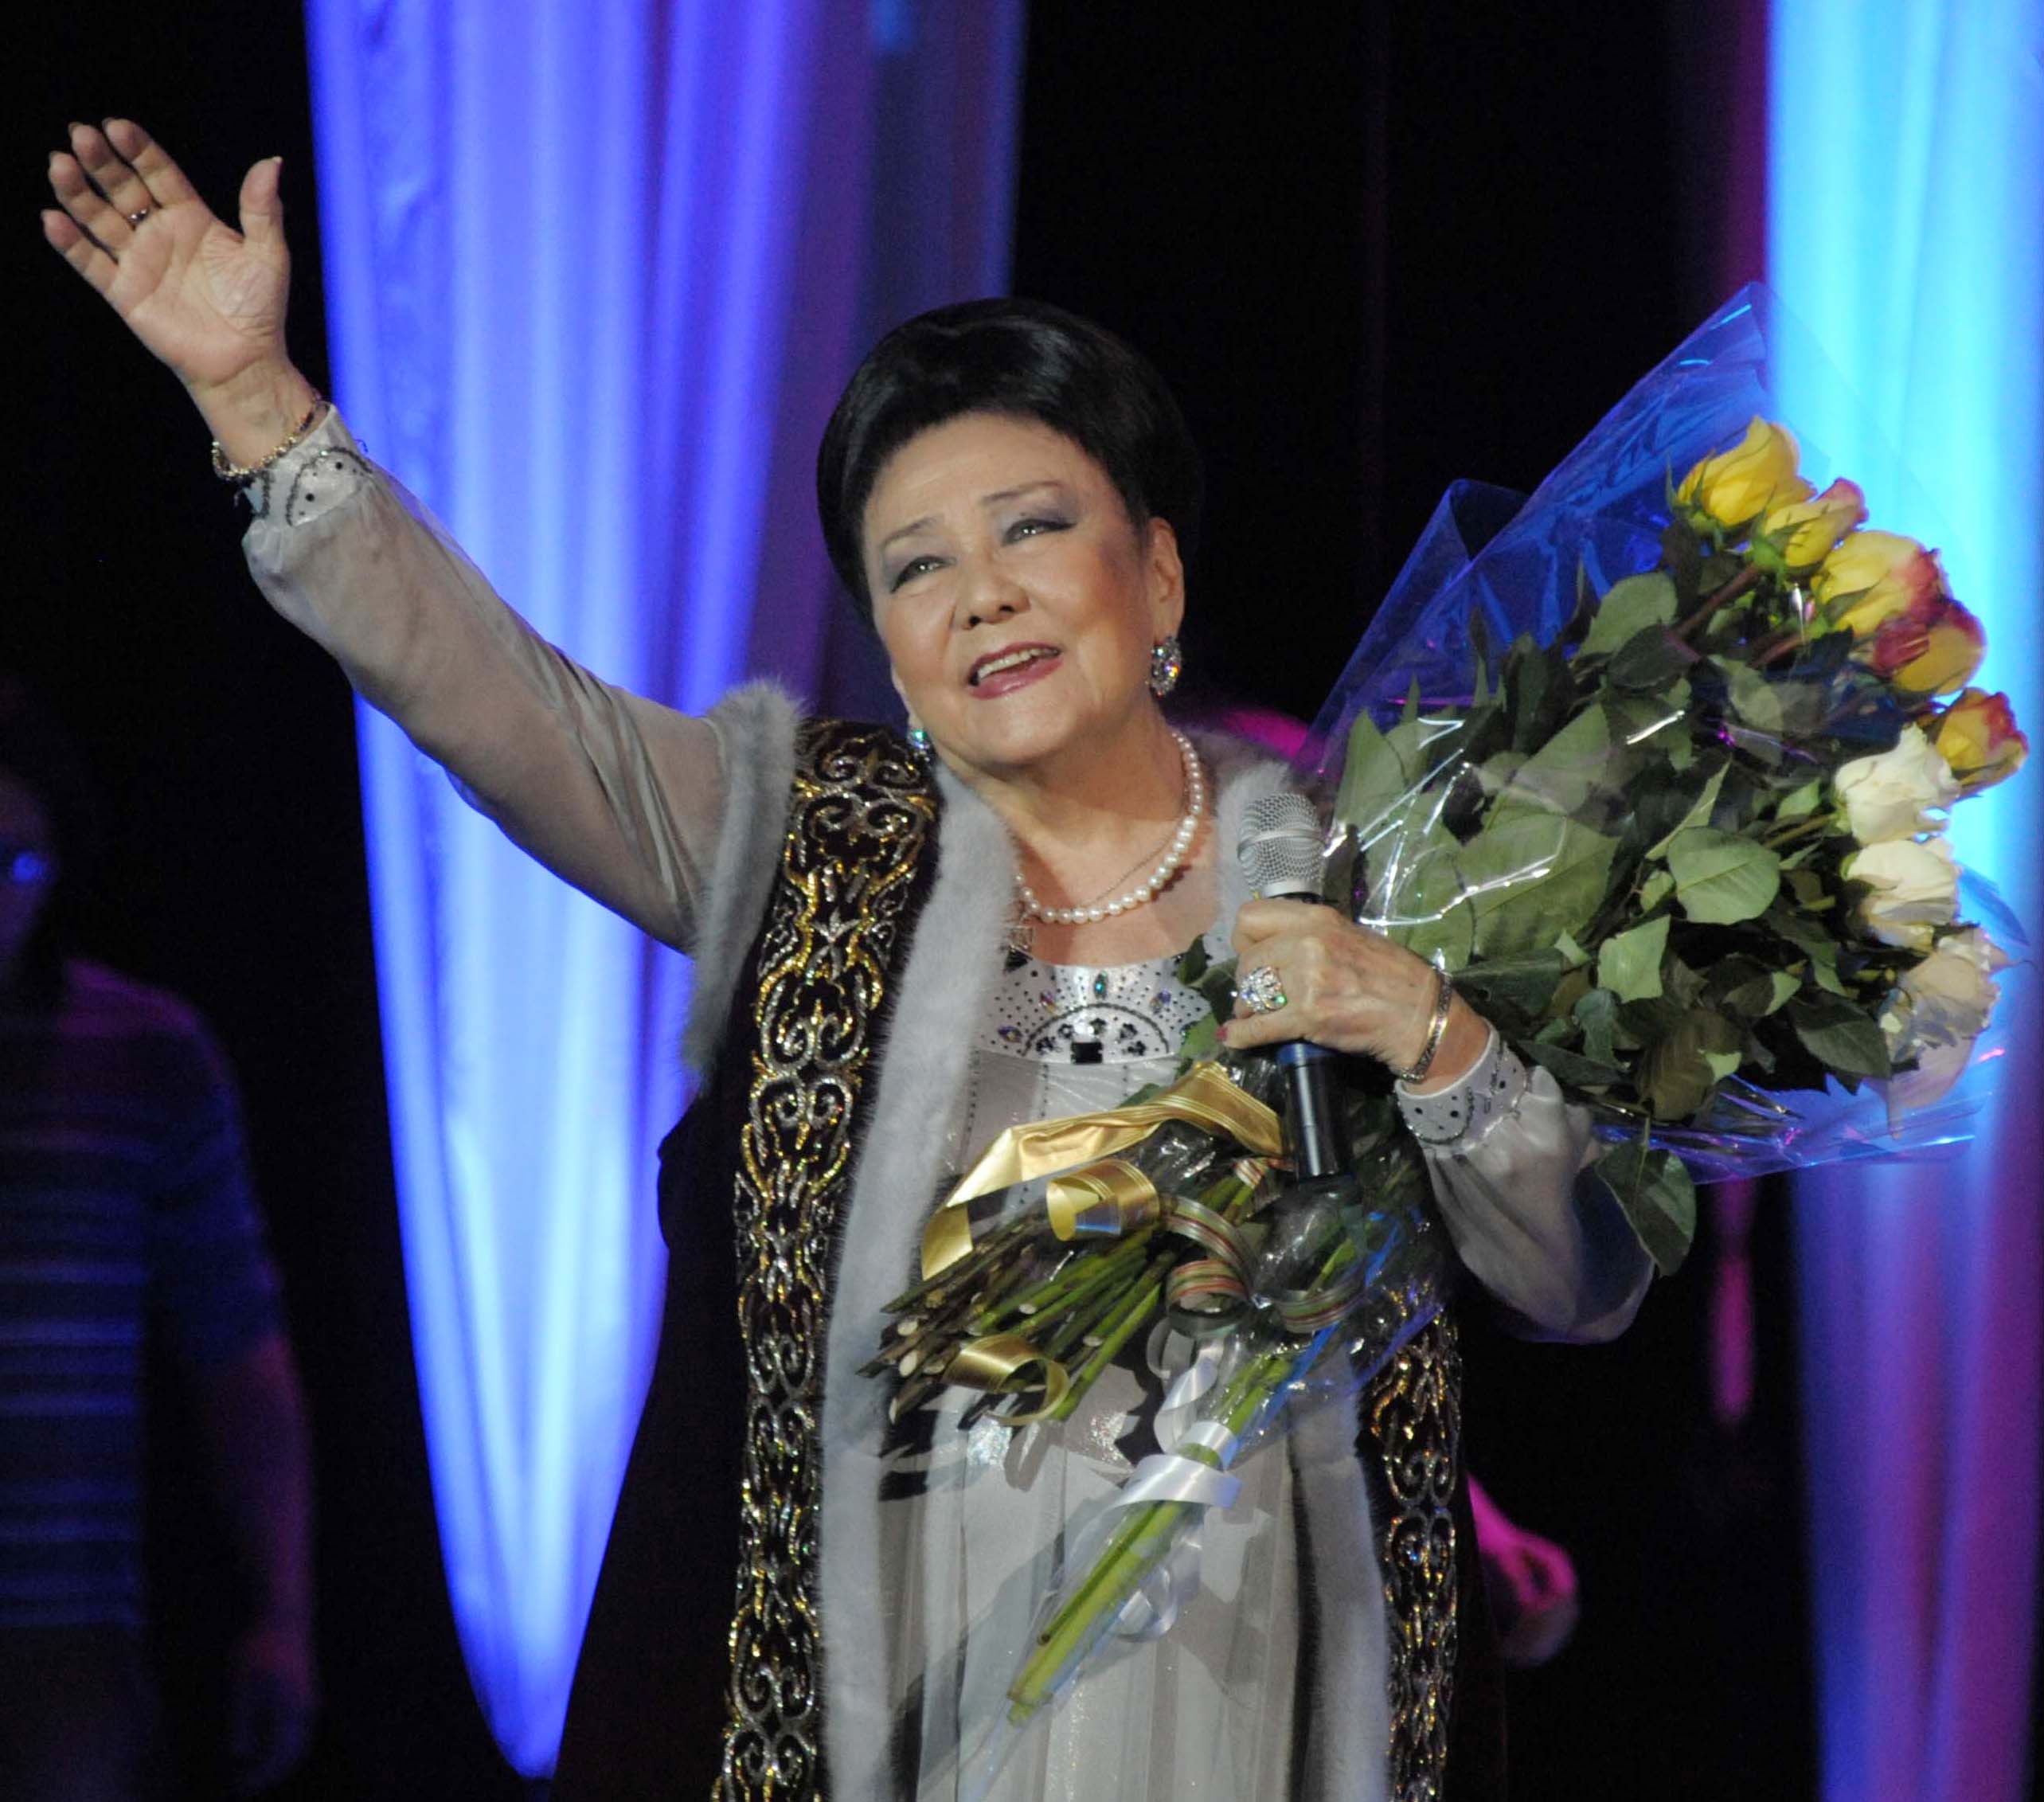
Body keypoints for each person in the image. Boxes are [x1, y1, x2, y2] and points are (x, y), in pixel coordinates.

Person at [41, 120, 1651, 1801]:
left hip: (1256, 1711)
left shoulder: (1363, 866)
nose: (982, 596)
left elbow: (1577, 1284)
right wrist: (258, 406)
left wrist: (1430, 1027)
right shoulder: (815, 850)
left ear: (1158, 570)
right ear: (887, 641)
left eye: (1032, 528)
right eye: (917, 564)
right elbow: (510, 703)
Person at [0, 676, 317, 1800]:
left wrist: (283, 1612)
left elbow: (241, 1357)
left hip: (62, 1648)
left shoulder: (145, 1057)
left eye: (17, 864)